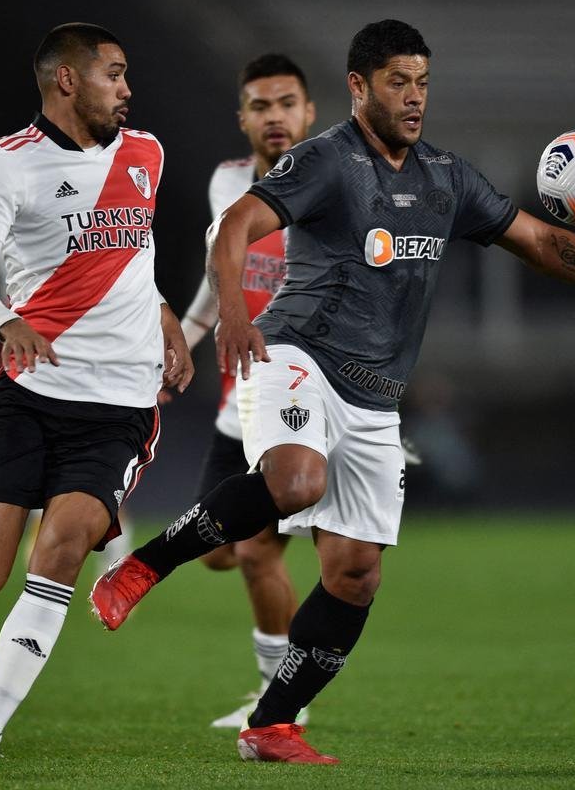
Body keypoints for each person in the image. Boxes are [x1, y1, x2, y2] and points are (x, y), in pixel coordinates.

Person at [91, 19, 575, 765]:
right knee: (293, 480)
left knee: (355, 576)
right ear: (357, 86)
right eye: (397, 83)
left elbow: (542, 244)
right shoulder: (324, 162)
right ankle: (142, 566)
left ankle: (271, 724)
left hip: (375, 396)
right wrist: (235, 318)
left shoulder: (445, 177)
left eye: (422, 83)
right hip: (296, 353)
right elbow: (234, 228)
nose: (414, 99)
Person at [0, 22, 192, 781]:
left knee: (62, 550)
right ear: (67, 81)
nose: (127, 88)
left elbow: (131, 259)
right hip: (30, 395)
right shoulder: (6, 166)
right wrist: (8, 322)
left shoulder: (146, 154)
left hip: (118, 405)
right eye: (114, 74)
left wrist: (168, 321)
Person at [173, 53, 316, 729]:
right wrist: (183, 339)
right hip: (242, 399)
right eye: (260, 106)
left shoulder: (332, 188)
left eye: (286, 102)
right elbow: (216, 277)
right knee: (216, 550)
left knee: (258, 551)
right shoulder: (227, 183)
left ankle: (281, 706)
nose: (274, 117)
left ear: (309, 113)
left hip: (304, 398)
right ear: (243, 119)